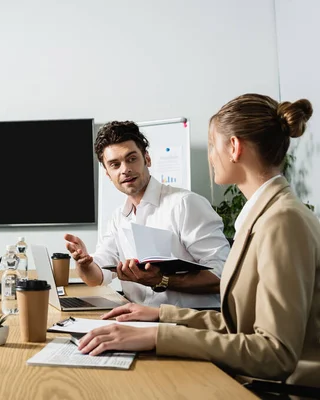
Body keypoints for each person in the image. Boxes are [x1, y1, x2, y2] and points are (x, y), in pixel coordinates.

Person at [77, 94, 320, 387]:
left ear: (234, 147)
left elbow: (276, 354)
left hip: (276, 388)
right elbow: (237, 323)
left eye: (211, 145)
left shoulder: (281, 220)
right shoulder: (261, 215)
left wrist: (158, 333)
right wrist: (160, 318)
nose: (210, 157)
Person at [65, 121, 230, 308]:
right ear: (108, 174)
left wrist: (162, 280)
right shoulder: (119, 218)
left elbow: (223, 276)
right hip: (140, 321)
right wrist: (84, 264)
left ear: (147, 159)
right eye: (115, 164)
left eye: (131, 159)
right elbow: (97, 277)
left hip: (185, 326)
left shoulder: (185, 204)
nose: (124, 169)